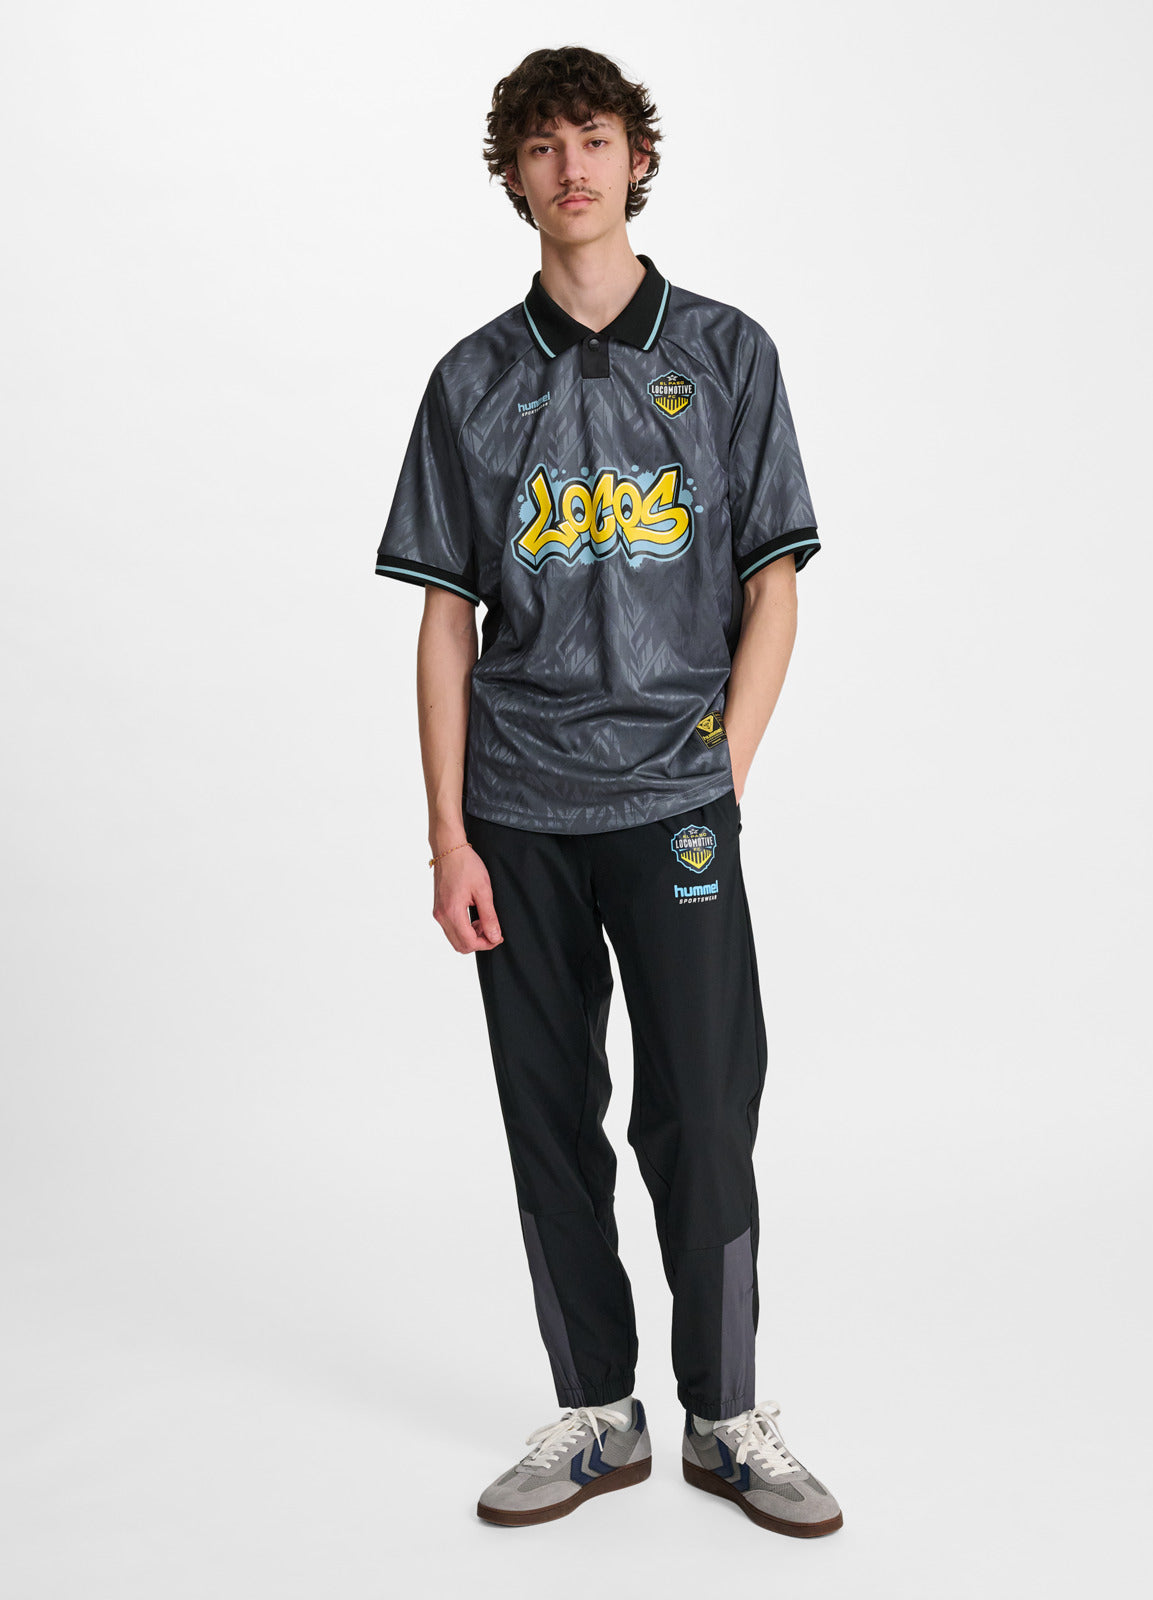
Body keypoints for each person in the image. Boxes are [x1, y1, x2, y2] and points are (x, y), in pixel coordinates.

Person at [374, 44, 842, 1538]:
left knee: (704, 1107)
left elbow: (775, 585)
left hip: (675, 803)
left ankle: (727, 1414)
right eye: (540, 146)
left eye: (592, 139)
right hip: (517, 809)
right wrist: (448, 836)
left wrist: (718, 770)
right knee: (548, 1114)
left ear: (637, 158)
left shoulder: (727, 354)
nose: (569, 168)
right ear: (512, 176)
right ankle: (597, 1410)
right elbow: (445, 619)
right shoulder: (471, 382)